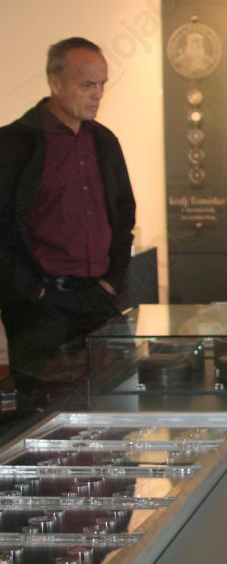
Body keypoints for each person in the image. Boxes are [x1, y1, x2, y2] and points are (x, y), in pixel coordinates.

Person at [0, 37, 135, 395]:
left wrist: (113, 280)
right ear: (55, 83)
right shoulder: (13, 145)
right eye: (87, 84)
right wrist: (35, 292)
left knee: (118, 402)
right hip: (42, 306)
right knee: (48, 414)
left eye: (102, 84)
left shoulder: (104, 141)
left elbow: (124, 215)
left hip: (99, 298)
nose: (98, 94)